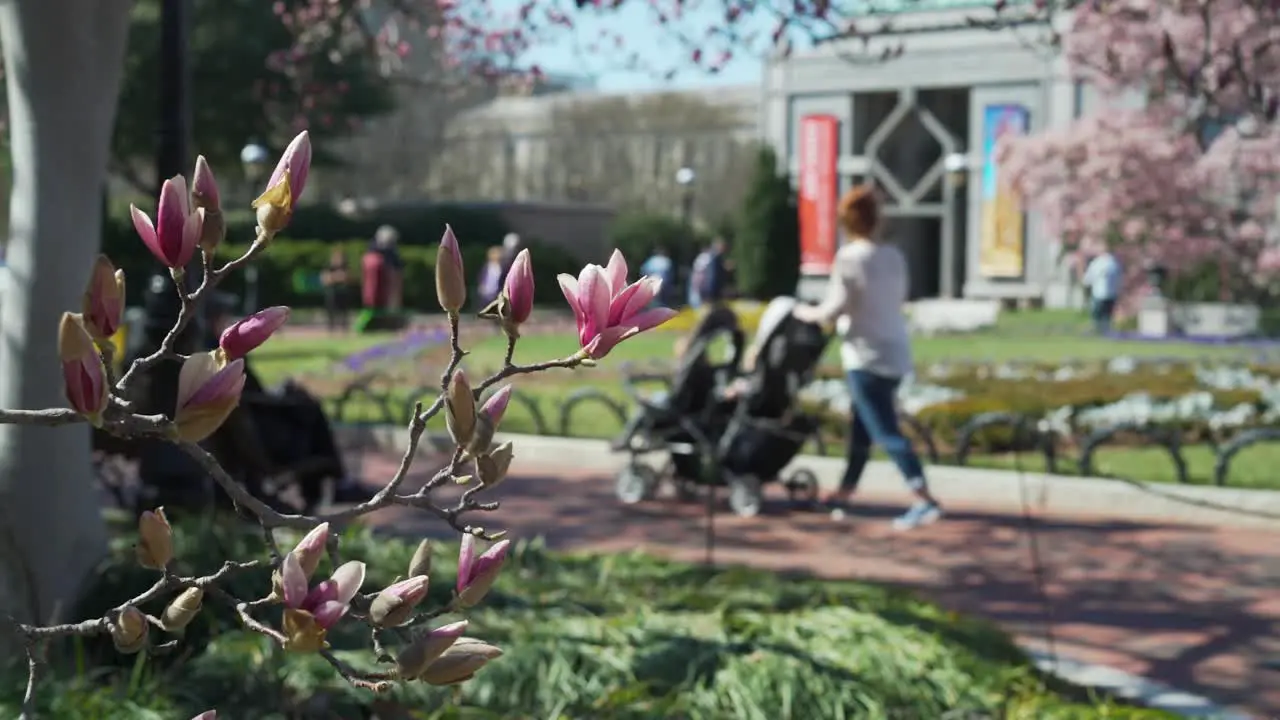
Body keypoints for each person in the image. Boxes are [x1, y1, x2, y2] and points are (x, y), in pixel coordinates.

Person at [791, 184, 943, 531]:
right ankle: (845, 493)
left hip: (864, 355)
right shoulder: (894, 256)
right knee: (862, 429)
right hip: (895, 351)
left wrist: (804, 313)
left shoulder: (850, 258)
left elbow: (836, 306)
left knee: (885, 429)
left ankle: (923, 497)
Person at [1081, 246, 1121, 334]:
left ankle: (1099, 331)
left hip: (1099, 294)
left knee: (1098, 316)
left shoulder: (1098, 263)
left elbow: (1088, 278)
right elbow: (1118, 279)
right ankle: (1104, 331)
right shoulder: (1114, 263)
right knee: (1106, 315)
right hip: (1110, 293)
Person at [320, 246, 350, 332]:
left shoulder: (345, 266)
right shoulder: (328, 267)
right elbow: (326, 279)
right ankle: (331, 326)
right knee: (331, 296)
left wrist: (335, 278)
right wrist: (337, 277)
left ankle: (344, 326)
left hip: (342, 291)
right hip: (332, 291)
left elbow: (346, 278)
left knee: (344, 296)